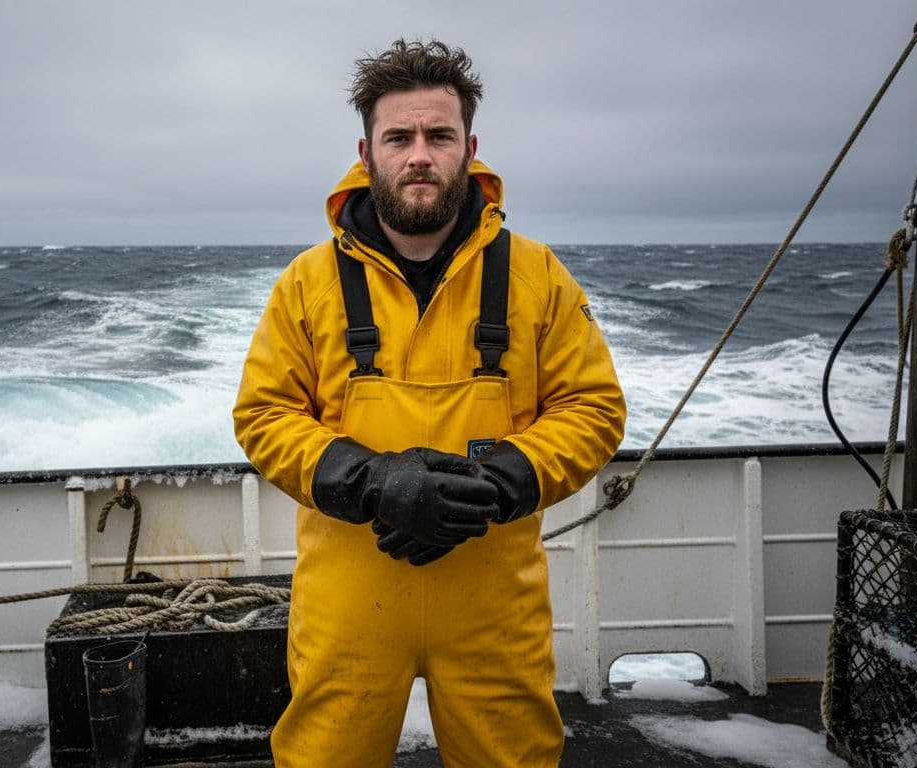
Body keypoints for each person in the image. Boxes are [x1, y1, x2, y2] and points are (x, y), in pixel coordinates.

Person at [232, 39, 627, 767]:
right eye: (400, 137)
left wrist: (498, 481)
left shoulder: (538, 274)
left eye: (438, 136)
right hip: (349, 597)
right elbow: (263, 415)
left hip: (493, 602)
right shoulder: (306, 283)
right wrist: (374, 482)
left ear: (469, 147)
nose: (420, 154)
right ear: (367, 150)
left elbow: (593, 407)